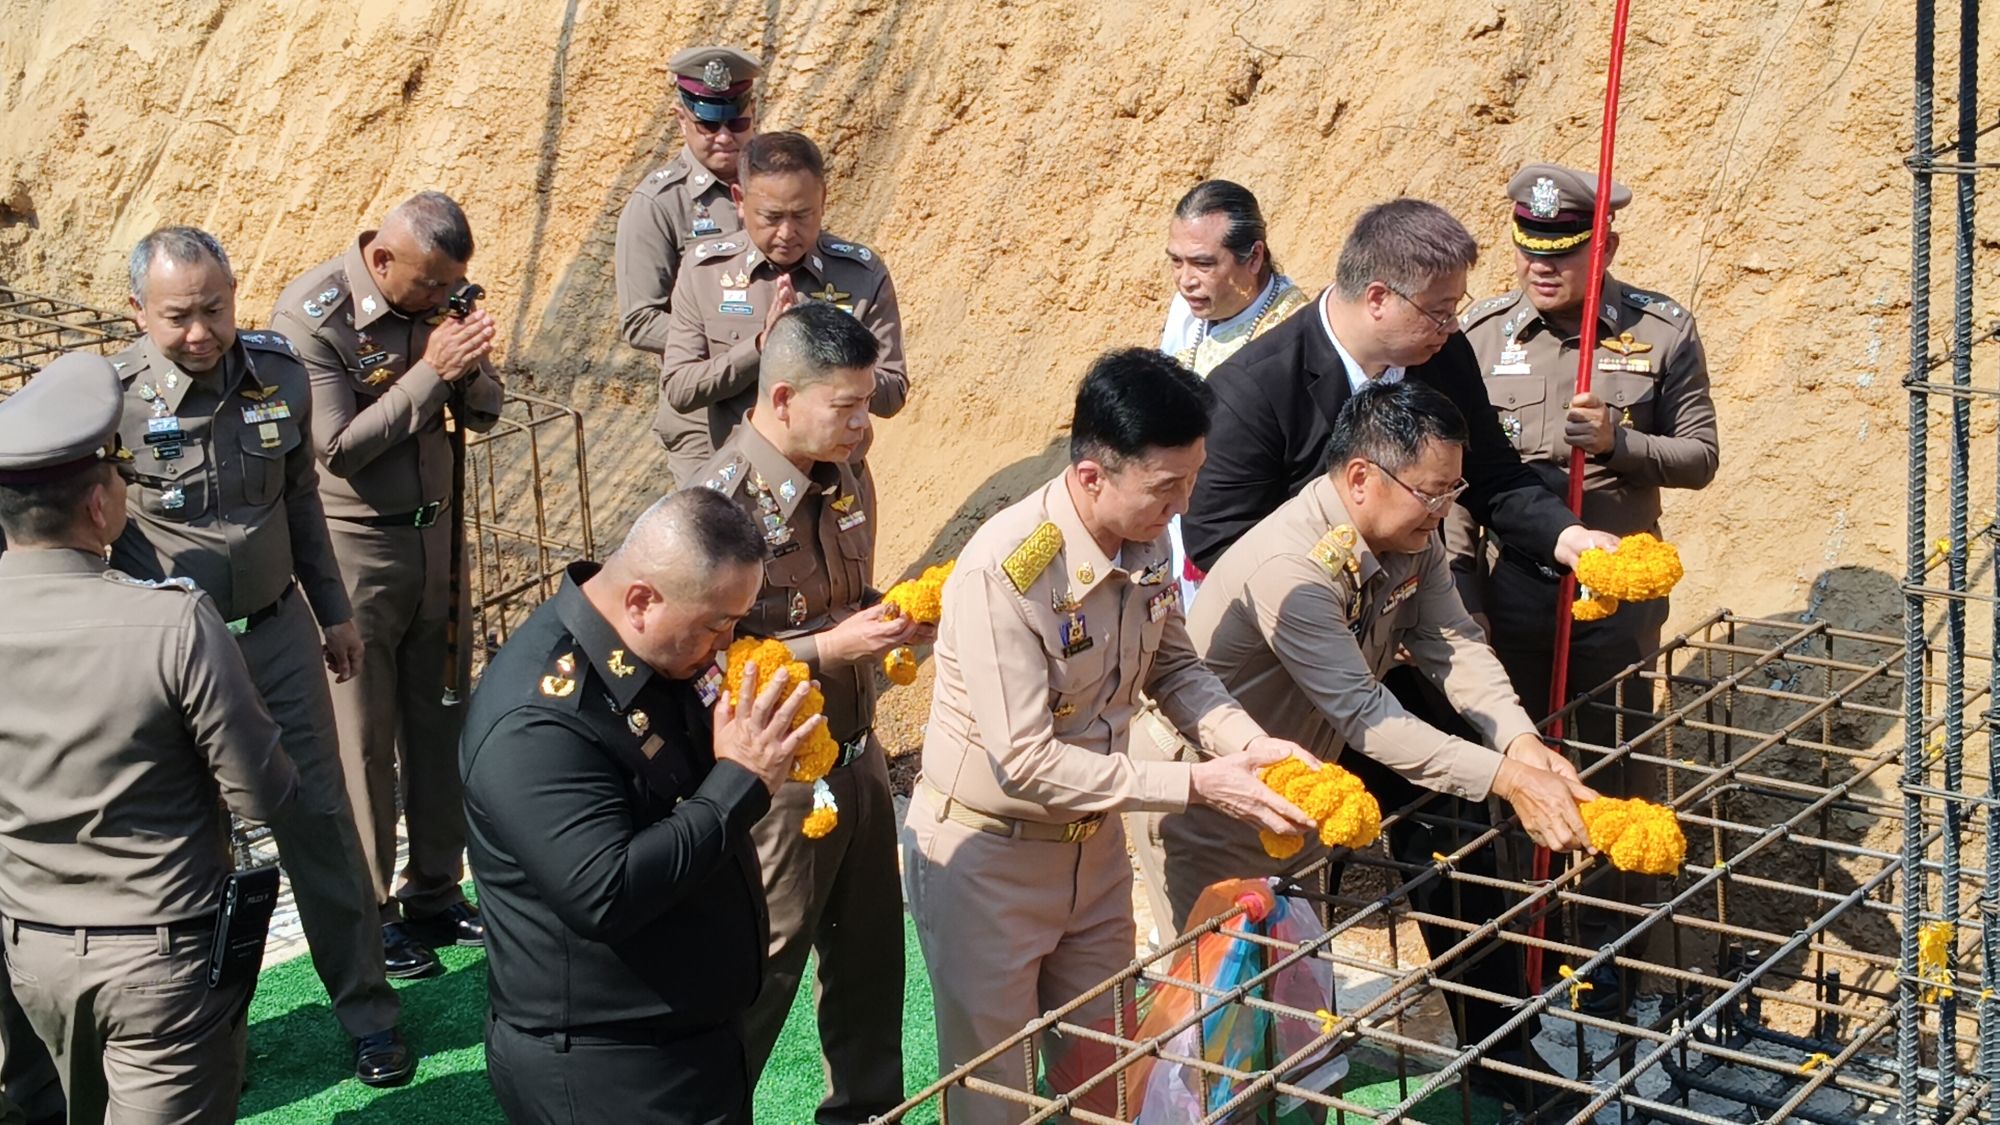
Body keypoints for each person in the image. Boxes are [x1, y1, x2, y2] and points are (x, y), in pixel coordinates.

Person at [1159, 380, 1599, 1115]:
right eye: (1431, 491)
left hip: (1304, 781)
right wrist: (1506, 778)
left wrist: (1520, 740)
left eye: (1453, 489)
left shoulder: (1410, 534)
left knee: (1295, 1007)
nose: (1443, 508)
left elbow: (1451, 640)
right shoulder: (1292, 566)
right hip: (1218, 797)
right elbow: (1367, 714)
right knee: (1218, 1014)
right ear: (1362, 476)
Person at [906, 347, 1318, 1125]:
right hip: (990, 860)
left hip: (1092, 853)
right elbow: (1025, 760)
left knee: (1107, 1077)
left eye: (1193, 478)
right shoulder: (1006, 572)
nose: (1184, 504)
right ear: (1094, 475)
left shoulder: (1147, 536)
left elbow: (1176, 667)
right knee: (994, 1095)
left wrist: (1244, 745)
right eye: (1167, 485)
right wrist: (1198, 784)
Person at [108, 227, 414, 1084]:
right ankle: (210, 1039)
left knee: (322, 824)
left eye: (214, 309)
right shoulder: (112, 402)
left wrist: (334, 611)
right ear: (138, 312)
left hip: (276, 636)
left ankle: (369, 1011)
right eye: (177, 315)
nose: (200, 331)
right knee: (187, 845)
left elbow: (302, 500)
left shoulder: (278, 374)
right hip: (171, 657)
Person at [0, 352, 299, 1123]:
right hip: (162, 956)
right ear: (100, 504)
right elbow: (264, 793)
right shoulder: (173, 622)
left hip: (32, 952)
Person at [463, 488, 819, 1125]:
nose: (727, 642)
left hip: (694, 1043)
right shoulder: (538, 721)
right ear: (640, 602)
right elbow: (606, 893)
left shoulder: (659, 654)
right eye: (714, 624)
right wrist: (741, 782)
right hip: (611, 1071)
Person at [1454, 163, 1719, 1011]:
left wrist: (1618, 444)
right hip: (1514, 592)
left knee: (1611, 763)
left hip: (1614, 599)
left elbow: (1701, 457)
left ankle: (1607, 950)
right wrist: (1465, 598)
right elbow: (1454, 480)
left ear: (1603, 245)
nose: (1542, 266)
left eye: (1563, 250)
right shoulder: (1480, 335)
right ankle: (1520, 940)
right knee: (1512, 762)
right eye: (1530, 249)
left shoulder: (1660, 332)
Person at [270, 191, 505, 977]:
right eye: (431, 283)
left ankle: (435, 888)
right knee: (364, 739)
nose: (441, 297)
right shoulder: (313, 317)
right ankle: (374, 912)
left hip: (437, 539)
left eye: (451, 286)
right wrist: (432, 373)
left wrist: (469, 365)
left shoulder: (439, 303)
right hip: (356, 550)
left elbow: (487, 411)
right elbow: (337, 446)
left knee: (441, 717)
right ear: (381, 259)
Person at [691, 304, 907, 1121]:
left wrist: (888, 618)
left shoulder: (846, 474)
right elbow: (700, 661)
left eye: (866, 402)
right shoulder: (718, 508)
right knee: (761, 971)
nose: (863, 423)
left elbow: (844, 595)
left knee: (871, 968)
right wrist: (829, 648)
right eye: (846, 406)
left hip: (860, 759)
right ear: (781, 398)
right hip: (777, 782)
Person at [1179, 197, 1617, 577]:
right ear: (1378, 299)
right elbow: (1219, 540)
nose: (1452, 325)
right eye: (1439, 311)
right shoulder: (1252, 391)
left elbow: (1491, 472)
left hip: (1416, 604)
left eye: (1455, 308)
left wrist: (1566, 537)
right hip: (1302, 623)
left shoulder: (1442, 354)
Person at [655, 131, 908, 485]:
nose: (788, 232)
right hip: (741, 486)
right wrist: (760, 347)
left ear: (823, 199)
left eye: (802, 215)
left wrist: (829, 363)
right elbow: (680, 390)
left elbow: (893, 393)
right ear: (739, 200)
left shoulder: (861, 275)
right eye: (772, 217)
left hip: (837, 488)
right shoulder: (706, 273)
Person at [615, 45, 764, 354]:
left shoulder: (777, 185)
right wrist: (742, 345)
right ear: (681, 119)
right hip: (705, 380)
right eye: (708, 124)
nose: (724, 137)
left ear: (754, 112)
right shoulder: (659, 203)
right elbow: (640, 321)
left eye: (736, 123)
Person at [1160, 179, 1310, 378]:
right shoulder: (1184, 308)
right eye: (1176, 261)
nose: (1186, 281)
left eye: (1203, 264)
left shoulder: (1293, 334)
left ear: (1254, 257)